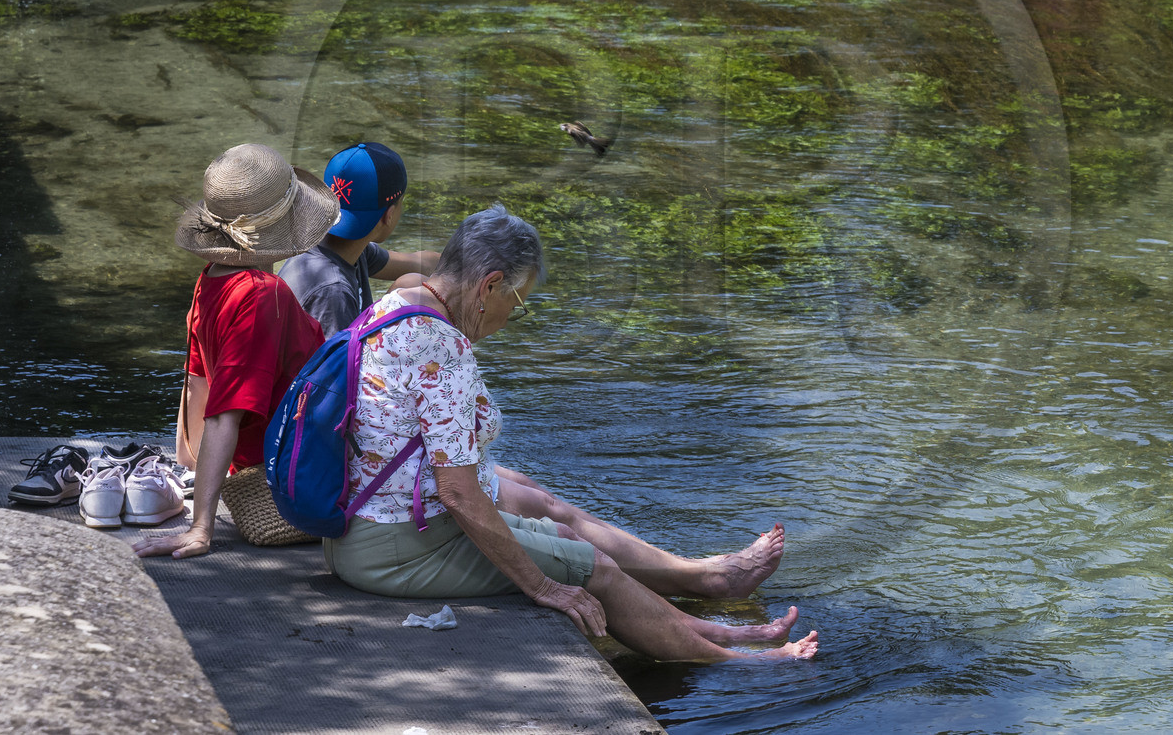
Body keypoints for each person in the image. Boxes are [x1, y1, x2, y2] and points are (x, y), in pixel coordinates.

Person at [284, 143, 786, 599]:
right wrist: (476, 280)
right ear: (391, 213)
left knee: (531, 490)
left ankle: (687, 573)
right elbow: (352, 399)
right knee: (543, 506)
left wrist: (471, 264)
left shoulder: (335, 253)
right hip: (344, 472)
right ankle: (698, 578)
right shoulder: (333, 291)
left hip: (366, 454)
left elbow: (412, 267)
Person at [324, 204, 819, 662]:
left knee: (563, 534)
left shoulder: (396, 303)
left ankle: (713, 627)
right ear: (489, 286)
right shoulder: (441, 349)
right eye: (518, 303)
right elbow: (457, 492)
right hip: (397, 548)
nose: (511, 318)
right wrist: (543, 587)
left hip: (365, 525)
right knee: (592, 569)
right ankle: (740, 662)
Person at [134, 143, 335, 560]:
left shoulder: (211, 280)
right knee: (491, 488)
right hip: (296, 462)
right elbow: (225, 413)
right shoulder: (265, 294)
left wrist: (191, 462)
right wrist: (200, 526)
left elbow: (198, 381)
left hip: (256, 456)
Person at [279, 142, 442, 338]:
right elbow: (334, 367)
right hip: (323, 368)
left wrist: (475, 267)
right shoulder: (333, 291)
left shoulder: (345, 247)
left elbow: (419, 263)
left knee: (411, 284)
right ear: (389, 215)